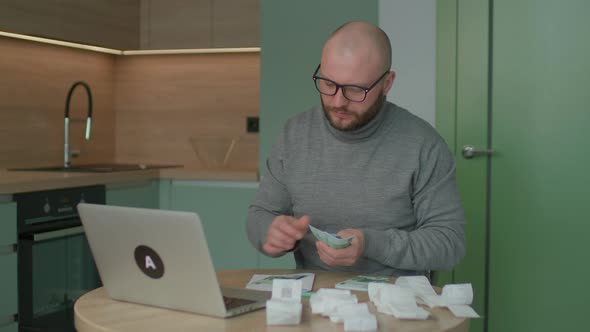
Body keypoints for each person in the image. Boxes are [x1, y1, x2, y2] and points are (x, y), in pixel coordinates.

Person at [246, 21, 465, 277]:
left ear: (387, 83)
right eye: (328, 84)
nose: (338, 102)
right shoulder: (294, 134)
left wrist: (370, 244)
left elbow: (450, 242)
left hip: (395, 305)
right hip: (315, 300)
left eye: (355, 89)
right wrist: (271, 231)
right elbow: (259, 215)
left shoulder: (423, 144)